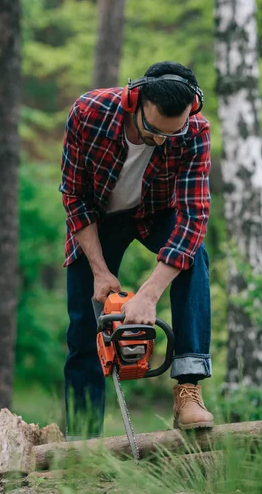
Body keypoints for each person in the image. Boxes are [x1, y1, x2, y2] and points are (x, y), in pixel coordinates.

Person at [60, 60, 213, 439]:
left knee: (194, 259)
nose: (162, 140)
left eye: (170, 135)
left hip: (155, 214)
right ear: (135, 99)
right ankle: (82, 437)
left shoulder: (195, 132)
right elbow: (74, 196)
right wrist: (99, 268)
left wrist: (148, 294)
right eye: (153, 131)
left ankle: (188, 387)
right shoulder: (89, 113)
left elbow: (193, 218)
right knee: (83, 330)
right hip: (97, 220)